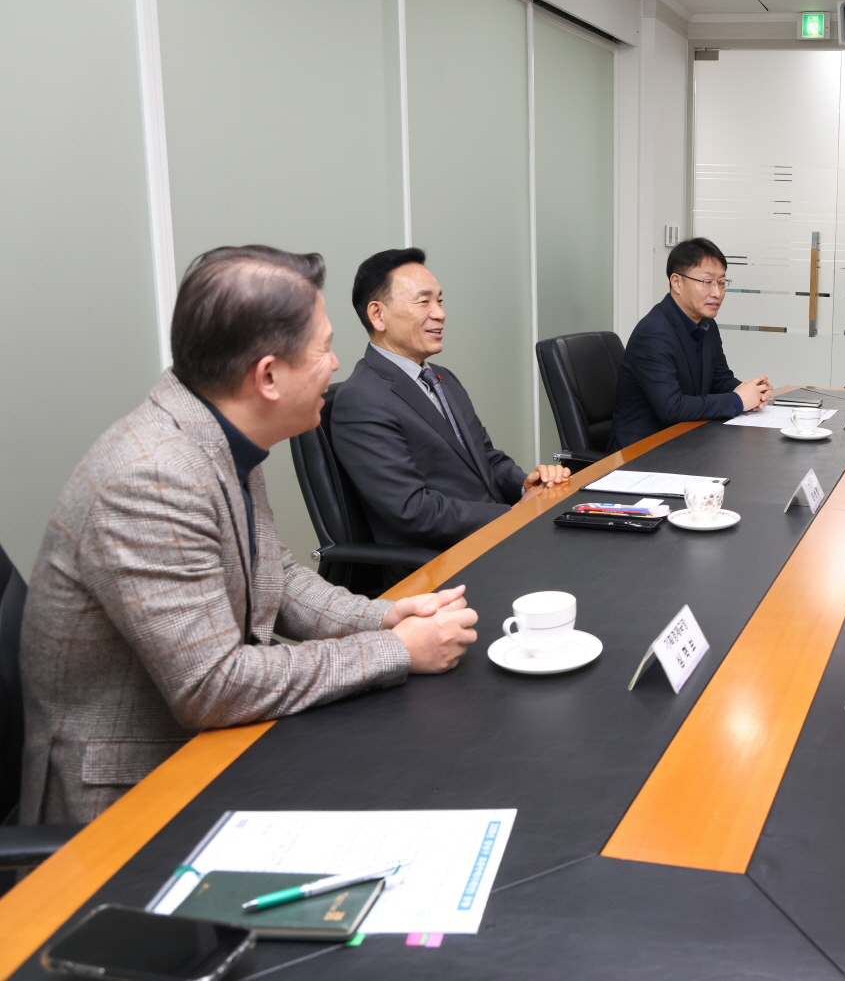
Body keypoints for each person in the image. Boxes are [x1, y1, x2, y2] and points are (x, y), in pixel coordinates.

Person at [19, 246, 480, 824]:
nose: (337, 365)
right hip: (132, 794)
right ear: (267, 376)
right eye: (325, 348)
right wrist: (396, 650)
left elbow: (278, 578)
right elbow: (212, 684)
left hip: (215, 744)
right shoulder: (154, 476)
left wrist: (386, 615)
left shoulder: (222, 428)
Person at [333, 249, 570, 554]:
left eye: (440, 301)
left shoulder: (441, 377)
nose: (440, 313)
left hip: (493, 537)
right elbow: (413, 509)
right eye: (424, 301)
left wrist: (525, 485)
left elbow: (486, 458)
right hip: (443, 561)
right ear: (378, 314)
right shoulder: (361, 399)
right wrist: (514, 514)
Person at [611, 237, 771, 450]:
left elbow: (719, 379)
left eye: (722, 283)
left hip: (688, 440)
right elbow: (672, 407)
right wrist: (738, 400)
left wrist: (751, 392)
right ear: (676, 282)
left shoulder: (706, 324)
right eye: (707, 282)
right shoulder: (653, 333)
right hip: (644, 452)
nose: (717, 293)